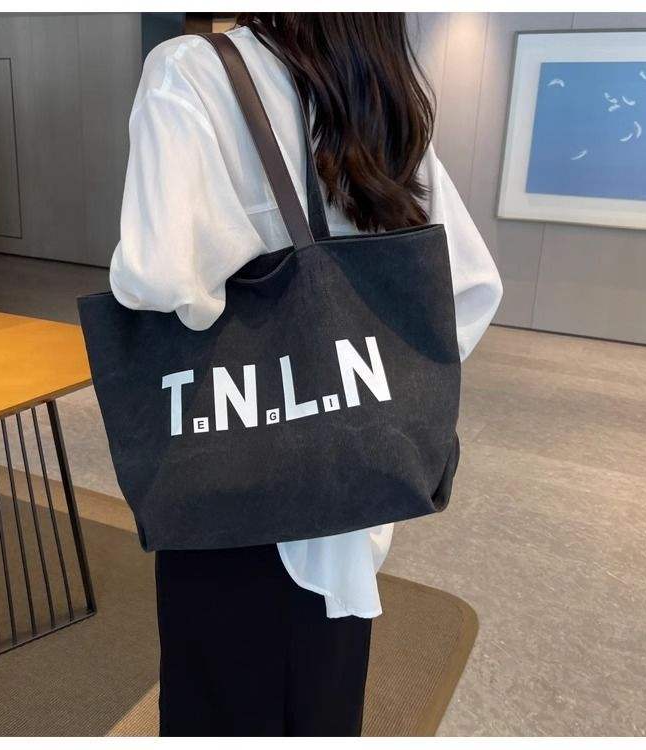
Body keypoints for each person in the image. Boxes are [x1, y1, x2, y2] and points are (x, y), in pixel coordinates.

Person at [109, 13, 502, 737]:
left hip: (230, 472)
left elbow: (159, 276)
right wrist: (354, 367)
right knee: (323, 691)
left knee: (222, 696)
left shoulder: (189, 69)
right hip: (355, 482)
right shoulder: (378, 83)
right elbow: (467, 288)